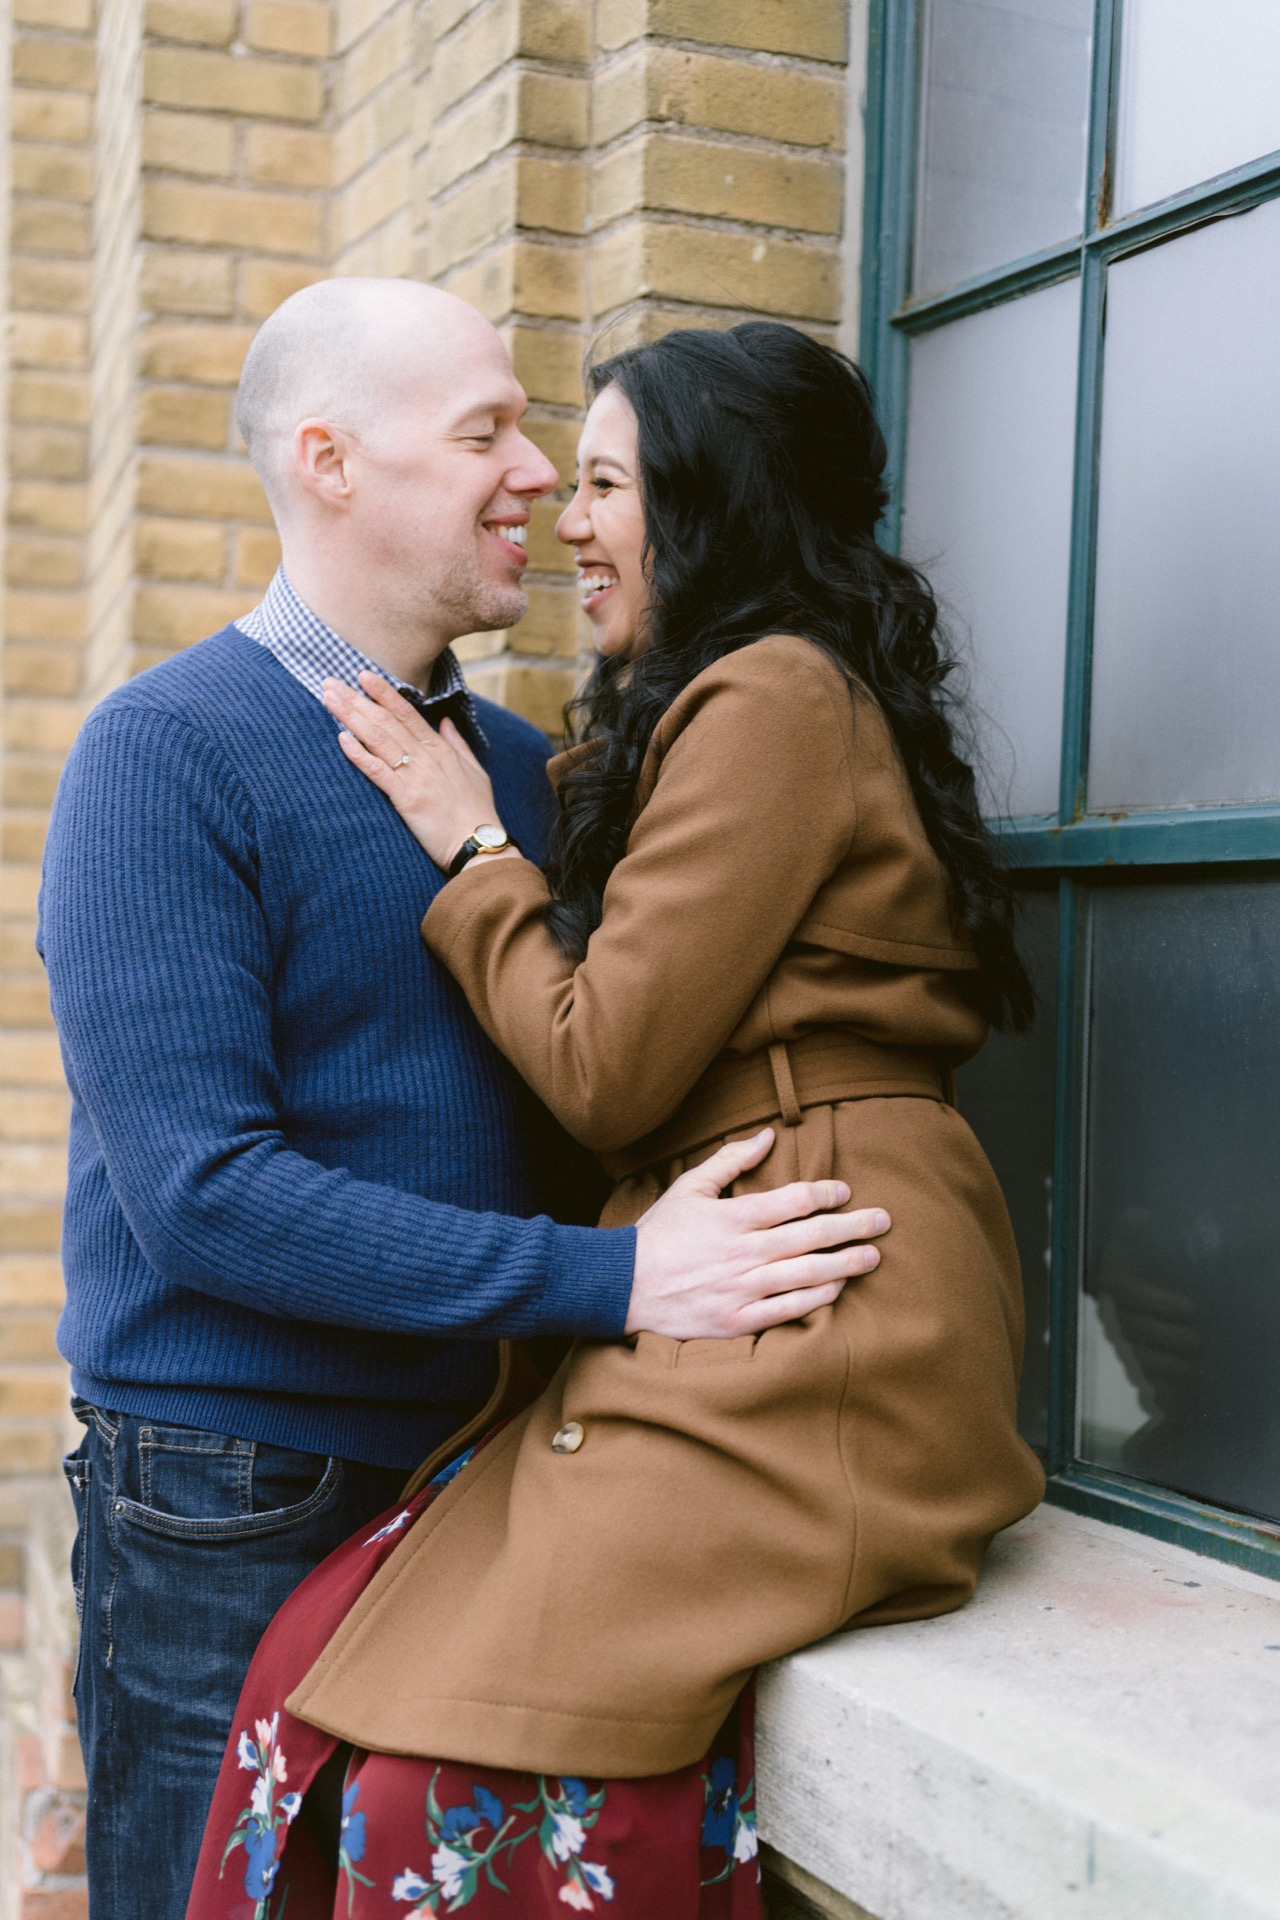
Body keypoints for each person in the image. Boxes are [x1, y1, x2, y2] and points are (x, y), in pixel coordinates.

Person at [37, 282, 892, 1920]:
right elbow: (204, 1195)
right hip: (239, 1488)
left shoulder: (519, 776)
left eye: (538, 427)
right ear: (331, 460)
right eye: (485, 429)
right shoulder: (165, 754)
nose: (537, 470)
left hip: (500, 1473)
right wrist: (624, 1281)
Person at [185, 321, 1045, 1919]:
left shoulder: (774, 694)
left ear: (706, 501)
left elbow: (605, 1070)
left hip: (815, 1292)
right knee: (321, 1661)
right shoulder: (722, 703)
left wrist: (472, 856)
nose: (562, 517)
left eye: (599, 481)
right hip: (747, 1260)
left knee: (454, 1760)